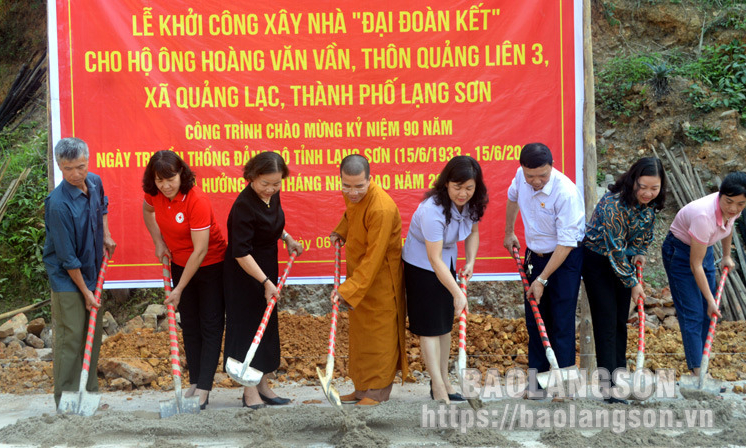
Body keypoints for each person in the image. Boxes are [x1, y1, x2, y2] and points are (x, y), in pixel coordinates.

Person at [142, 150, 227, 409]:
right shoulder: (154, 194)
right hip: (180, 263)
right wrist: (159, 242)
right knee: (189, 323)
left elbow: (200, 250)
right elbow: (147, 211)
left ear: (182, 174)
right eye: (159, 180)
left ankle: (204, 387)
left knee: (210, 324)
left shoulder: (196, 200)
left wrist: (179, 288)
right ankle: (193, 382)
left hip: (211, 265)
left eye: (171, 179)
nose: (166, 186)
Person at [402, 156, 488, 403]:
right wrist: (458, 293)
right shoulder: (432, 210)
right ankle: (437, 386)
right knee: (429, 326)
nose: (463, 193)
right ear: (446, 184)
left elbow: (473, 231)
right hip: (422, 265)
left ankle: (446, 381)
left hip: (446, 261)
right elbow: (434, 259)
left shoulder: (472, 202)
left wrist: (470, 261)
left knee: (444, 325)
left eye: (469, 188)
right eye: (457, 187)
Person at [503, 142, 585, 394]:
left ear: (552, 167)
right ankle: (536, 385)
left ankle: (563, 386)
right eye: (530, 176)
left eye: (542, 175)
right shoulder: (521, 177)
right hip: (533, 256)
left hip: (564, 259)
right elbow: (512, 197)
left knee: (561, 320)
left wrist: (542, 279)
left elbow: (566, 242)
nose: (536, 181)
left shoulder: (566, 193)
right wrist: (509, 232)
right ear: (522, 169)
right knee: (534, 320)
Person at [582, 157, 666, 403]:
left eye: (654, 187)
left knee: (620, 321)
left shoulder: (651, 204)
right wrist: (634, 283)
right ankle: (608, 388)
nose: (648, 193)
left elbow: (645, 230)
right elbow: (615, 250)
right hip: (598, 260)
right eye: (643, 186)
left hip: (624, 262)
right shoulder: (614, 204)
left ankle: (619, 378)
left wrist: (641, 250)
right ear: (632, 181)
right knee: (606, 320)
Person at [223, 152, 303, 409]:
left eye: (276, 184)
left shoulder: (271, 196)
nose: (270, 189)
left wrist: (287, 238)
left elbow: (272, 223)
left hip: (267, 269)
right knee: (248, 329)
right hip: (245, 274)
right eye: (264, 183)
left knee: (266, 328)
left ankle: (264, 385)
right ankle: (249, 393)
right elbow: (240, 252)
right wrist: (265, 282)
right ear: (251, 177)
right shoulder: (243, 206)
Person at [330, 154, 409, 406]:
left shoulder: (381, 208)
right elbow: (351, 214)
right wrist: (341, 231)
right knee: (361, 336)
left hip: (381, 279)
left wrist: (347, 289)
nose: (352, 192)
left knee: (379, 336)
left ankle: (377, 391)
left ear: (370, 180)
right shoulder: (353, 195)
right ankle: (362, 388)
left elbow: (374, 258)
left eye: (358, 186)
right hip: (360, 276)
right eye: (346, 186)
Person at [43, 137, 117, 408]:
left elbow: (103, 208)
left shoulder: (95, 182)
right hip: (67, 276)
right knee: (72, 335)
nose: (75, 174)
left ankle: (90, 396)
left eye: (80, 167)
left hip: (92, 268)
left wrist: (106, 235)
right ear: (59, 167)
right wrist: (86, 292)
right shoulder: (58, 204)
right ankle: (66, 400)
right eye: (68, 169)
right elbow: (66, 257)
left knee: (92, 334)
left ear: (88, 160)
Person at [662, 172, 746, 377]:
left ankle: (702, 358)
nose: (734, 208)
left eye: (741, 204)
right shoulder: (703, 216)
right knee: (693, 312)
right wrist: (710, 299)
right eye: (729, 202)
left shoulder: (735, 207)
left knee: (709, 312)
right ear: (720, 196)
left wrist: (726, 255)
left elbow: (729, 224)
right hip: (680, 252)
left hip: (704, 247)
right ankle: (698, 370)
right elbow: (695, 265)